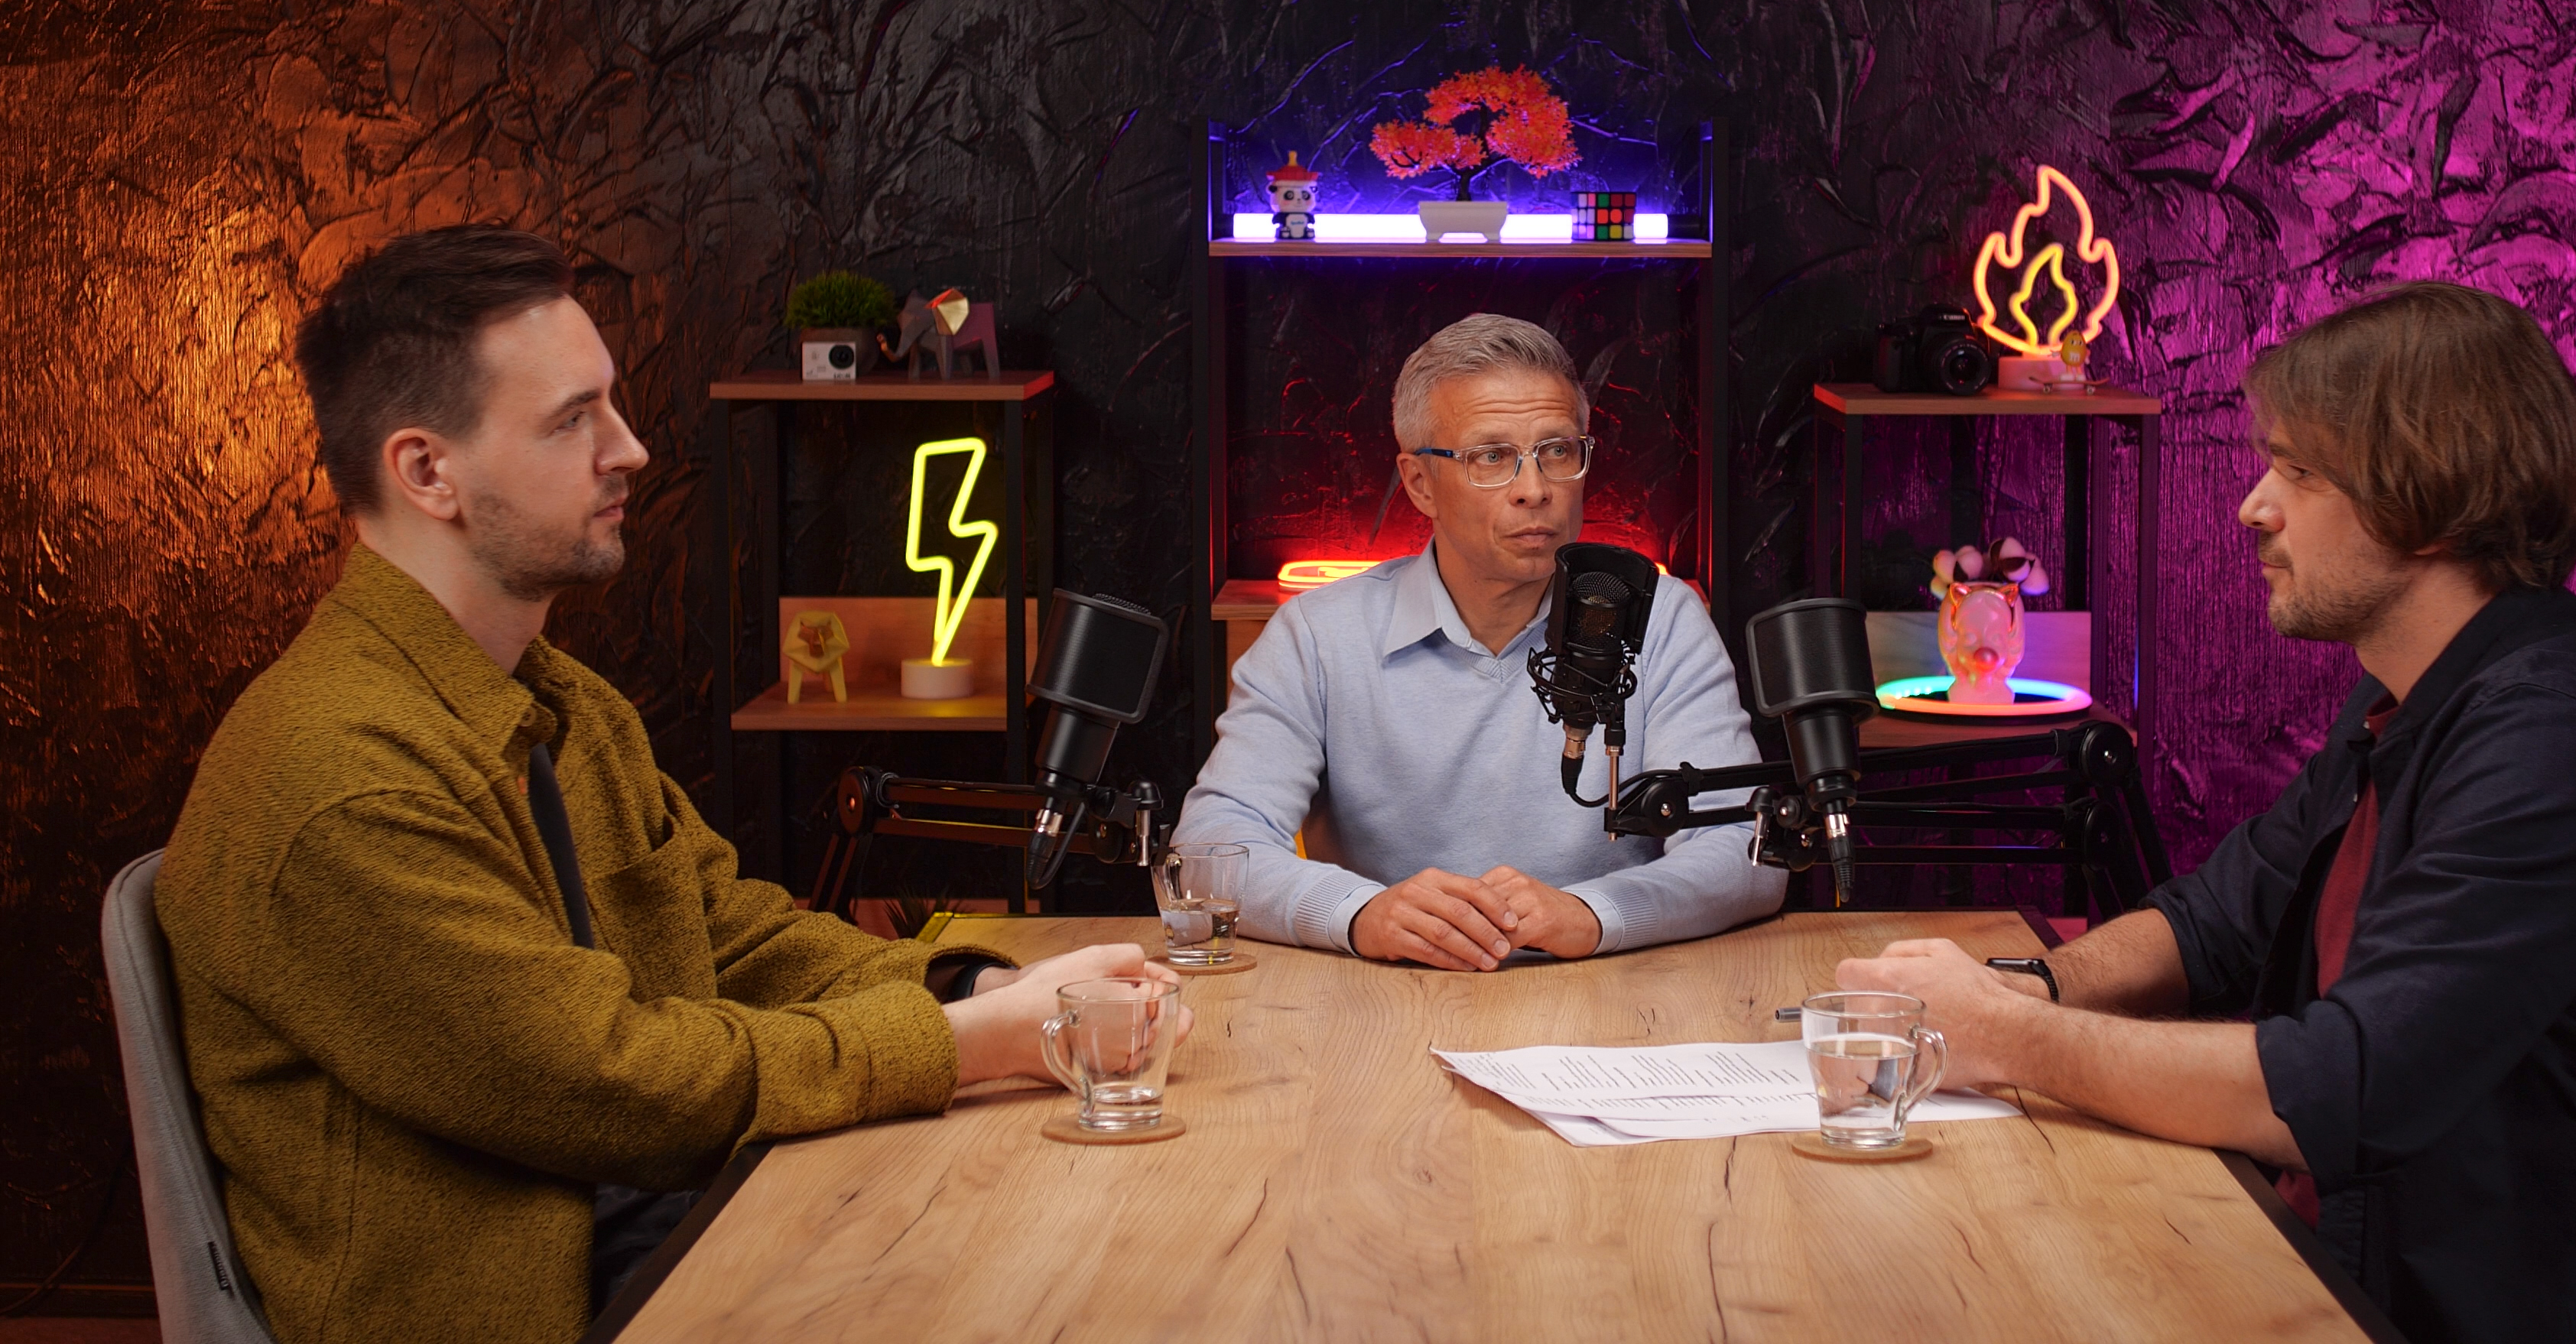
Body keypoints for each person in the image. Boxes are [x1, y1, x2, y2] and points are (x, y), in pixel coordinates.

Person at [156, 228, 1187, 1344]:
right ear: (426, 472)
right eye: (573, 420)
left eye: (612, 404)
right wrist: (974, 1044)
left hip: (676, 1228)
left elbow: (735, 938)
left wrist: (978, 990)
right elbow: (611, 1088)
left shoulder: (564, 705)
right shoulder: (340, 780)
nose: (632, 449)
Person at [1836, 283, 2576, 1344]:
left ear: (2430, 492)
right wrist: (2021, 987)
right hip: (2309, 1261)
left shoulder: (2560, 745)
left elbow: (2339, 1089)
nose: (2253, 508)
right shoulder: (2408, 700)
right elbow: (2215, 922)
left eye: (2300, 472)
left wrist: (2011, 1038)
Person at [1174, 314, 1785, 968]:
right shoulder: (1318, 636)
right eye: (1491, 457)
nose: (1535, 490)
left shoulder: (1660, 619)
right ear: (1419, 484)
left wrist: (1594, 914)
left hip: (1613, 989)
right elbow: (1208, 850)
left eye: (1557, 451)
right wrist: (1358, 914)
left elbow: (1746, 849)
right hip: (1384, 994)